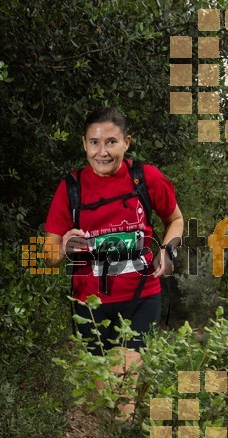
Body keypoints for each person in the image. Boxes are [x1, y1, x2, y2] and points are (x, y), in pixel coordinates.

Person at [44, 107, 184, 415]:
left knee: (123, 387)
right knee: (101, 398)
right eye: (94, 143)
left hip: (140, 297)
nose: (102, 151)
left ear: (126, 142)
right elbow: (49, 255)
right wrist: (65, 245)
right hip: (90, 308)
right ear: (84, 144)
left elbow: (175, 219)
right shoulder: (71, 188)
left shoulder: (145, 179)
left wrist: (168, 250)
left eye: (111, 142)